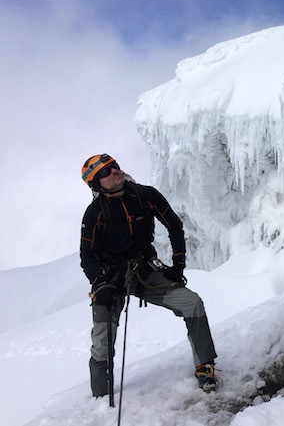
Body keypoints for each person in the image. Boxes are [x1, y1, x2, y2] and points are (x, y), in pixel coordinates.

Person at [79, 153, 218, 397]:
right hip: (110, 279)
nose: (113, 171)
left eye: (114, 166)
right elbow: (87, 256)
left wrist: (178, 264)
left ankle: (204, 366)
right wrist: (99, 283)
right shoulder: (94, 214)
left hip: (144, 270)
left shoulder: (145, 196)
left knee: (191, 302)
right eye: (105, 172)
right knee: (102, 338)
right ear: (96, 184)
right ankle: (100, 396)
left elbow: (174, 225)